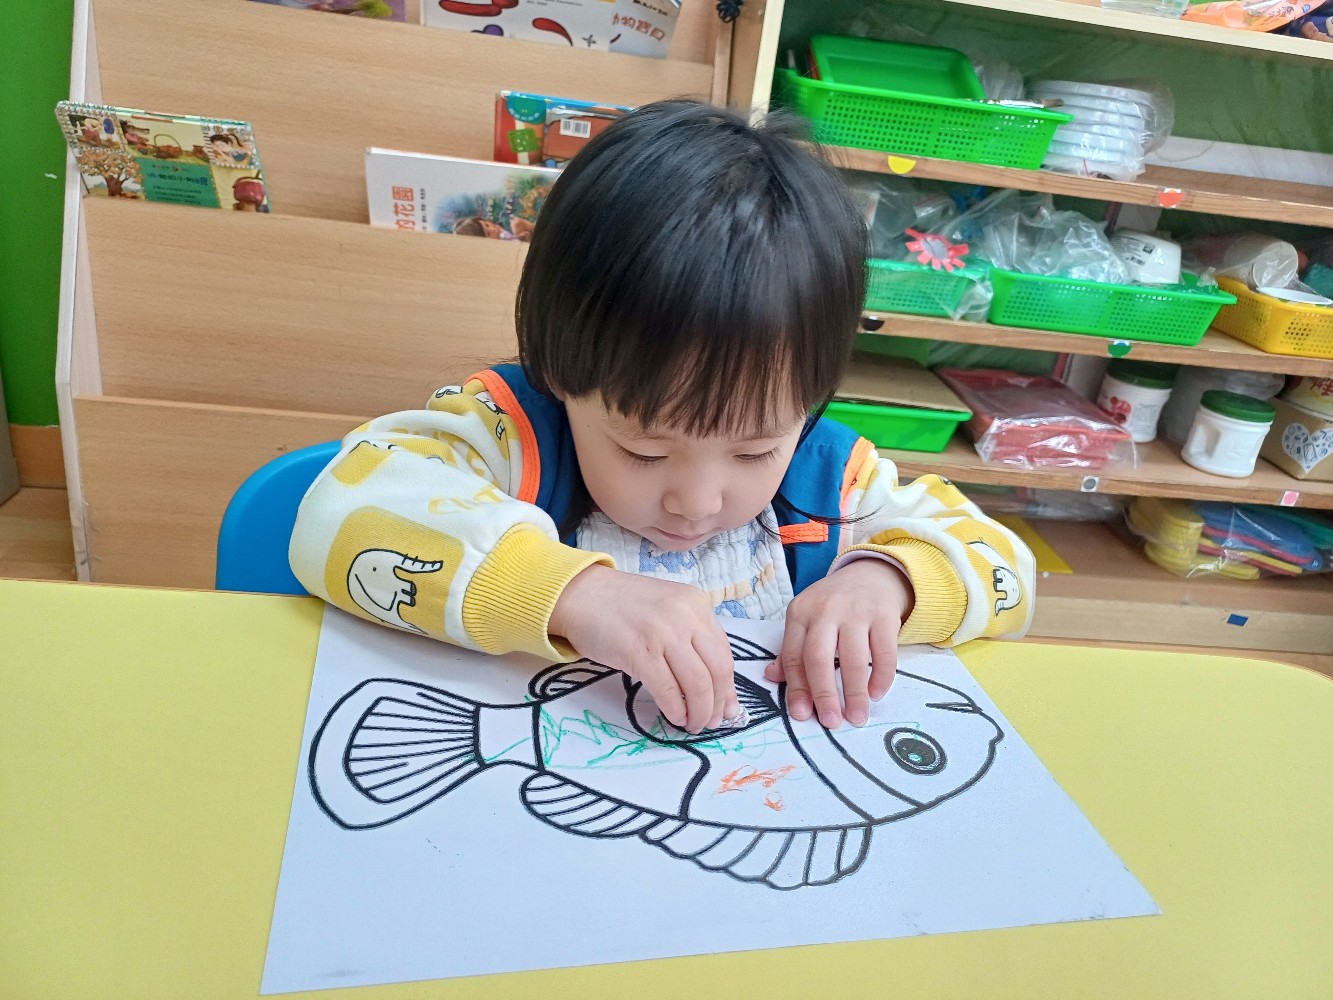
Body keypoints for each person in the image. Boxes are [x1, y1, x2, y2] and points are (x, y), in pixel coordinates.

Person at [289, 100, 1034, 737]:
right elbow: (336, 511)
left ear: (808, 401)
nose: (697, 502)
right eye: (645, 453)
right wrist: (572, 593)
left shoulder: (830, 480)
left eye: (753, 453)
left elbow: (1006, 567)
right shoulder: (512, 437)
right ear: (561, 372)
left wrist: (888, 581)